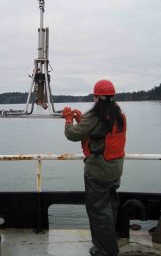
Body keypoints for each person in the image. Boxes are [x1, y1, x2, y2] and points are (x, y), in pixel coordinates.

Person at [62, 79, 127, 256]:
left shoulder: (95, 115)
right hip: (115, 170)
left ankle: (105, 250)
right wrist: (81, 119)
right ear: (113, 96)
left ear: (96, 97)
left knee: (98, 212)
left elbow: (73, 134)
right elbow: (100, 132)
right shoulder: (119, 115)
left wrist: (69, 120)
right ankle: (107, 244)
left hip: (98, 172)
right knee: (110, 208)